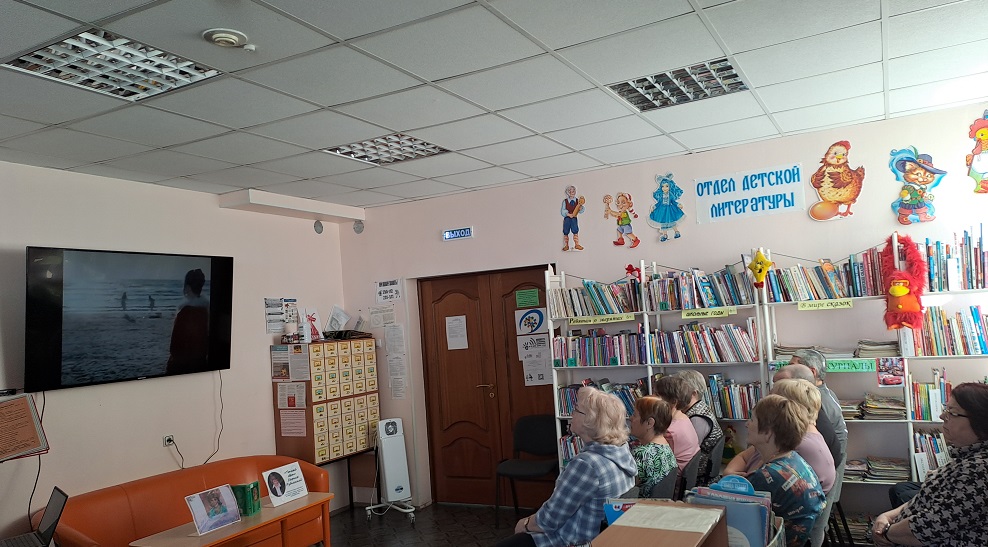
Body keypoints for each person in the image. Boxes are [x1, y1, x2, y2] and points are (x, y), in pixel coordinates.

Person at [496, 387, 636, 547]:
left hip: (571, 541)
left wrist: (525, 523)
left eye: (576, 409)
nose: (571, 413)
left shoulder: (586, 465)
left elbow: (548, 521)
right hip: (600, 538)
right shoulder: (621, 451)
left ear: (590, 421)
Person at [872, 383, 988, 546]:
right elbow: (925, 498)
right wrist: (888, 516)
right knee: (900, 489)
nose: (942, 416)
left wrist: (885, 533)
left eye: (952, 412)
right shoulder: (967, 456)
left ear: (980, 421)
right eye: (946, 409)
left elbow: (930, 528)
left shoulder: (979, 470)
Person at [746, 394, 826, 547]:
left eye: (752, 420)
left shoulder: (766, 477)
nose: (747, 424)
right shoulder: (794, 459)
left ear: (768, 433)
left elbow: (741, 522)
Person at [676, 370, 724, 485]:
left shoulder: (698, 418)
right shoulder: (698, 407)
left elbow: (686, 452)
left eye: (680, 389)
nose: (676, 393)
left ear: (694, 393)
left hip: (696, 476)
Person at [629, 396, 677, 497]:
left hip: (640, 505)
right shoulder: (666, 446)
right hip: (657, 505)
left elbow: (625, 490)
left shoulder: (642, 454)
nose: (630, 418)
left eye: (634, 415)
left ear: (649, 423)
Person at [652, 375, 700, 471]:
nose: (652, 397)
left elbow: (655, 463)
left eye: (657, 395)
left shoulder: (669, 431)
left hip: (673, 477)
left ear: (673, 402)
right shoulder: (684, 418)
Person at [167, 268, 209, 375]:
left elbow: (175, 348)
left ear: (188, 287)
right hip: (201, 364)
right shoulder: (206, 310)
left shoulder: (185, 313)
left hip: (183, 367)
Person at [560, 185, 585, 251]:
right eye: (570, 191)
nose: (572, 192)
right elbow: (563, 211)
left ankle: (576, 244)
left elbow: (581, 210)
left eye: (573, 191)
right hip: (567, 218)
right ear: (568, 192)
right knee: (566, 231)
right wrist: (568, 214)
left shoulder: (577, 201)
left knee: (575, 230)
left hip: (574, 218)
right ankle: (566, 245)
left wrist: (581, 208)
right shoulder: (565, 201)